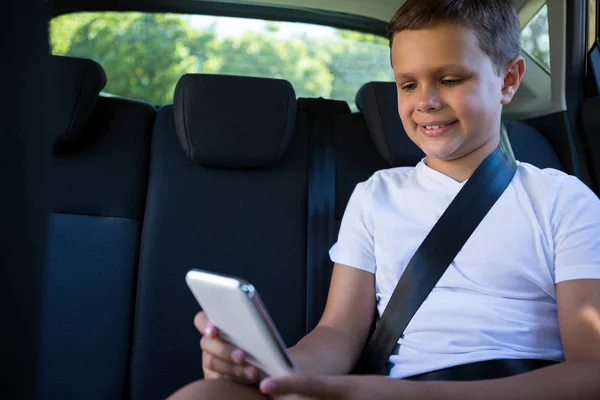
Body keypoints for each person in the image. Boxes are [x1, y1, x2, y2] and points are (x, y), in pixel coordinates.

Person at [169, 0, 600, 398]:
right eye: (407, 85)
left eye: (450, 80)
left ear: (508, 80)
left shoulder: (562, 200)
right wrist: (277, 369)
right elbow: (337, 333)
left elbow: (591, 368)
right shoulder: (376, 196)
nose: (425, 102)